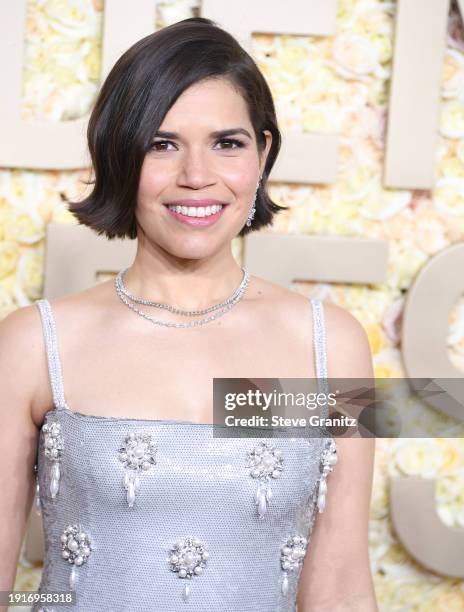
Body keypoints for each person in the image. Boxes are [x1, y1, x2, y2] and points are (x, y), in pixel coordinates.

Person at [0, 17, 377, 612]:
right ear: (119, 155)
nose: (197, 177)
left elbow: (340, 586)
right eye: (162, 143)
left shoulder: (328, 345)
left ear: (263, 153)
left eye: (227, 143)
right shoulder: (33, 344)